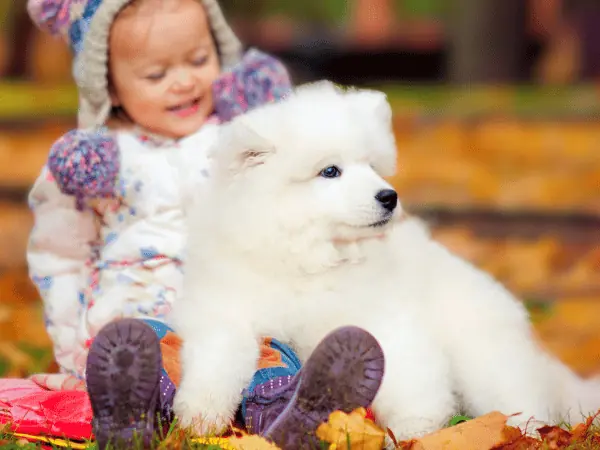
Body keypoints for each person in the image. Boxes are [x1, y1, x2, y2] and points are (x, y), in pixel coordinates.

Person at [26, 0, 385, 448]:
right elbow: (60, 258)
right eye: (156, 74)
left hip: (240, 316)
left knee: (268, 354)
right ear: (110, 86)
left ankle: (290, 415)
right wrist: (72, 345)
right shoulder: (97, 161)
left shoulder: (238, 143)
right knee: (139, 355)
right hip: (141, 321)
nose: (184, 81)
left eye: (199, 60)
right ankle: (129, 415)